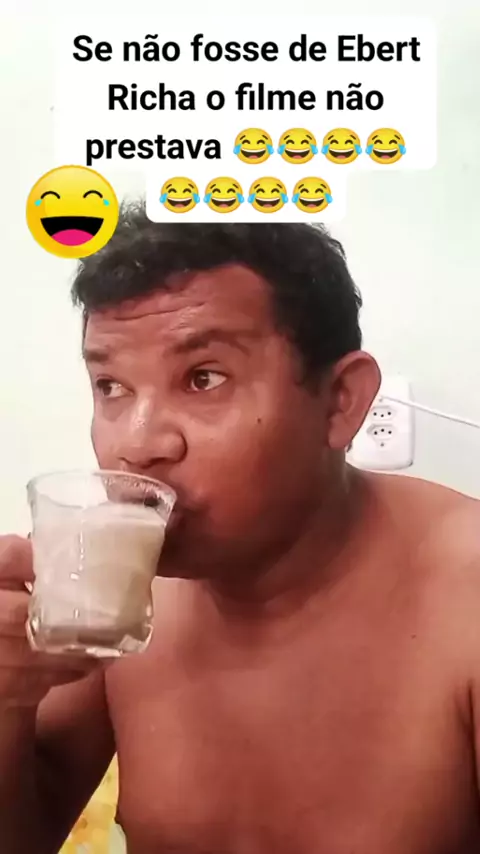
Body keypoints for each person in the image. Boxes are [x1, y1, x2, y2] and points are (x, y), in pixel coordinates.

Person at [1, 207, 480, 854]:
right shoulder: (111, 587)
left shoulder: (466, 595)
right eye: (110, 386)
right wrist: (5, 704)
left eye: (203, 378)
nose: (136, 445)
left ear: (341, 401)